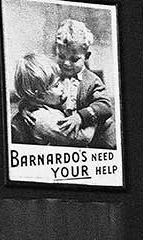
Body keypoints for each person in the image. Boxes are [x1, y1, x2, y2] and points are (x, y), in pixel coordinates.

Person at [51, 18, 116, 149]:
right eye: (61, 56)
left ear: (86, 56)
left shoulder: (92, 81)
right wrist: (25, 107)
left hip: (100, 138)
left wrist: (81, 117)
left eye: (74, 59)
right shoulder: (52, 76)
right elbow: (37, 92)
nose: (66, 63)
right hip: (68, 137)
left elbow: (105, 107)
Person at [10, 52, 95, 146]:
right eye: (57, 85)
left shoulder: (45, 101)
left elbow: (29, 99)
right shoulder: (43, 119)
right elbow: (85, 137)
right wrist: (92, 113)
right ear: (40, 96)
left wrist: (23, 105)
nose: (62, 87)